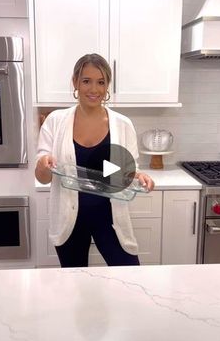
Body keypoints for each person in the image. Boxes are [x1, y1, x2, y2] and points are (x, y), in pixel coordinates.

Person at [35, 53, 155, 267]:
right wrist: (44, 163)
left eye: (101, 82)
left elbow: (124, 172)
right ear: (75, 82)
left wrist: (140, 176)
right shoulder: (55, 121)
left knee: (129, 271)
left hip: (110, 216)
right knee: (74, 280)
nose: (94, 89)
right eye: (86, 81)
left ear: (108, 85)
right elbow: (42, 177)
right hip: (69, 218)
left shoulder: (122, 124)